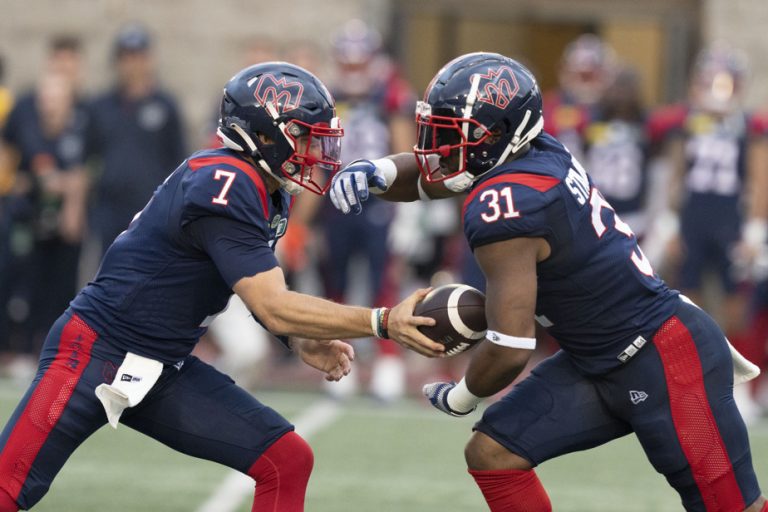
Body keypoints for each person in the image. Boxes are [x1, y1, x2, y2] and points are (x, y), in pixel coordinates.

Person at [329, 52, 766, 511]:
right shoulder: (537, 150)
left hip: (663, 359)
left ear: (498, 135)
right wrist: (379, 172)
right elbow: (446, 172)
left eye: (451, 133)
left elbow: (510, 345)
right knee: (493, 453)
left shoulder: (505, 206)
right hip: (596, 358)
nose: (436, 146)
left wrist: (462, 396)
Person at [0, 62, 443, 512]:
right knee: (7, 490)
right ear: (265, 136)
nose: (318, 150)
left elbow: (251, 285)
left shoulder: (268, 187)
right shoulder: (225, 182)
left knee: (285, 460)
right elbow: (272, 304)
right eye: (306, 136)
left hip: (161, 365)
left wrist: (296, 336)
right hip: (94, 353)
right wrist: (382, 322)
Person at [87, 23, 186, 255]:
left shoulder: (165, 105)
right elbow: (88, 158)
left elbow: (178, 160)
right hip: (109, 208)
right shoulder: (100, 107)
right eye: (127, 57)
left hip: (151, 208)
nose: (133, 65)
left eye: (139, 56)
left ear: (149, 59)